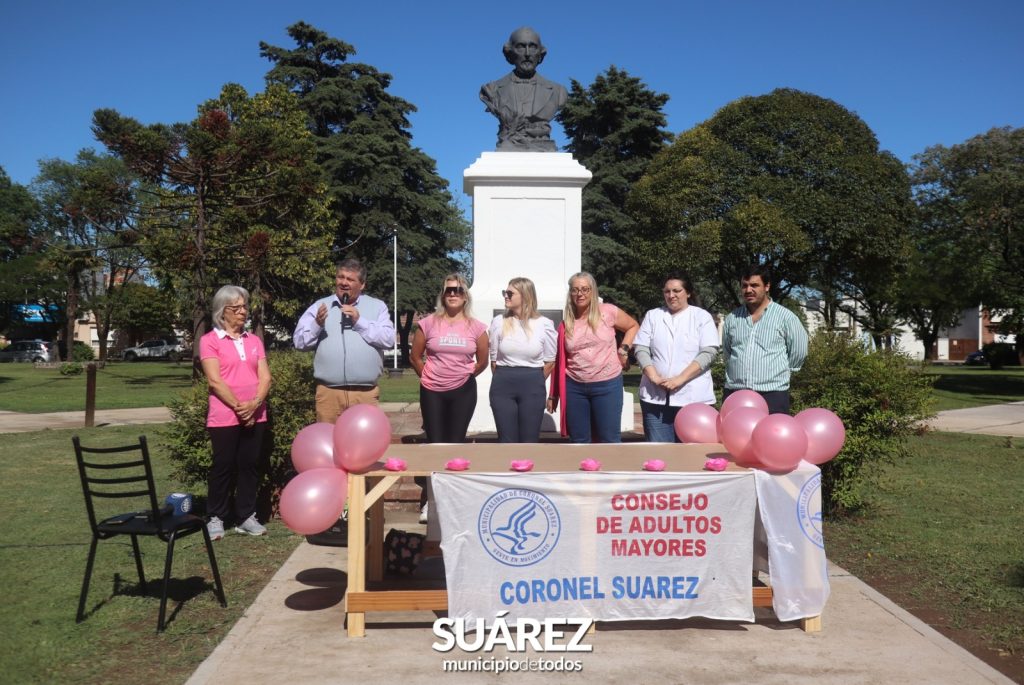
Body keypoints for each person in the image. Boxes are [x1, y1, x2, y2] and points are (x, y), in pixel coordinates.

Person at [410, 274, 488, 521]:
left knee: (455, 445)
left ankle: (453, 501)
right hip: (432, 391)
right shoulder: (428, 323)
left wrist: (465, 375)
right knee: (435, 444)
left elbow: (483, 360)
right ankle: (431, 501)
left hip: (462, 392)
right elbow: (415, 356)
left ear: (466, 296)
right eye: (448, 290)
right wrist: (428, 376)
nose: (453, 294)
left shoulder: (477, 327)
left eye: (458, 290)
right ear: (443, 295)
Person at [200, 285, 272, 540]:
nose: (243, 311)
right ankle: (216, 517)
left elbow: (265, 378)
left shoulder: (254, 341)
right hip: (224, 416)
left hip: (256, 414)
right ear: (223, 311)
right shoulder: (209, 341)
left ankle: (246, 516)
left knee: (249, 465)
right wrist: (241, 408)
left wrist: (254, 404)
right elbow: (214, 381)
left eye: (245, 306)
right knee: (223, 466)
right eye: (237, 307)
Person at [293, 259, 396, 423]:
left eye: (350, 279)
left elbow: (389, 340)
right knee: (329, 438)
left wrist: (359, 321)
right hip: (329, 394)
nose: (344, 283)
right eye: (340, 277)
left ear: (362, 285)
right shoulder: (320, 306)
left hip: (365, 394)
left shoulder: (377, 306)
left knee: (364, 439)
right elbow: (299, 343)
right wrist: (317, 325)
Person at [548, 272, 639, 443]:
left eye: (585, 289)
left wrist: (624, 349)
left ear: (593, 291)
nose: (580, 294)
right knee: (579, 441)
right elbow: (558, 360)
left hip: (607, 384)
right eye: (575, 290)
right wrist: (554, 395)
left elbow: (633, 326)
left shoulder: (608, 311)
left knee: (609, 440)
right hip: (575, 387)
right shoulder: (567, 322)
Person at [633, 273, 720, 442]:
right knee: (659, 452)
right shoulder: (653, 315)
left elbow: (708, 352)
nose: (671, 295)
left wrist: (680, 379)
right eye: (667, 291)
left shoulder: (701, 317)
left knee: (692, 452)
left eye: (677, 291)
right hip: (655, 398)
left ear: (688, 293)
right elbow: (641, 348)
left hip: (693, 398)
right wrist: (654, 377)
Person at [721, 264, 808, 415]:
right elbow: (728, 353)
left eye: (754, 285)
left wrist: (781, 373)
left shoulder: (786, 318)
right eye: (744, 286)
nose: (748, 290)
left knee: (773, 431)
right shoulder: (732, 318)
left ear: (767, 286)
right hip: (736, 394)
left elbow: (799, 351)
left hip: (772, 395)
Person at [488, 277, 557, 442]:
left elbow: (550, 361)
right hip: (502, 386)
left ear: (525, 296)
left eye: (510, 293)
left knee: (529, 440)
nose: (506, 296)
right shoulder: (498, 322)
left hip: (533, 386)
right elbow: (494, 360)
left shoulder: (544, 324)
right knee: (506, 440)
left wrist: (534, 379)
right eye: (505, 292)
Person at [480, 27, 568, 151]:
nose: (527, 53)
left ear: (540, 53)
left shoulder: (558, 92)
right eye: (521, 47)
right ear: (510, 53)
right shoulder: (492, 90)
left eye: (532, 47)